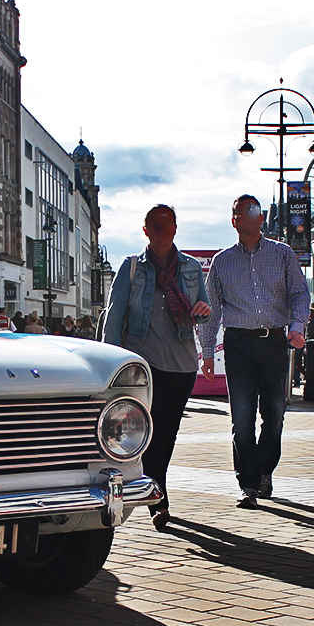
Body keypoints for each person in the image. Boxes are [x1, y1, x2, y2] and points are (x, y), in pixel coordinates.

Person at [104, 204, 211, 531]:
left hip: (181, 363)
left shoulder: (191, 268)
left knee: (168, 433)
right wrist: (109, 362)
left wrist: (203, 311)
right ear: (146, 230)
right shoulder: (132, 267)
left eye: (168, 224)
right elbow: (114, 315)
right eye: (156, 225)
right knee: (151, 431)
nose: (163, 230)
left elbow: (204, 309)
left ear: (176, 229)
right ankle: (159, 499)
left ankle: (155, 488)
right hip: (143, 361)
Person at [199, 195, 309, 507]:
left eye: (249, 212)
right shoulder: (222, 262)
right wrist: (207, 352)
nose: (242, 217)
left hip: (274, 341)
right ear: (232, 220)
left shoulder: (282, 254)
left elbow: (299, 293)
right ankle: (248, 484)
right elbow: (211, 310)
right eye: (237, 212)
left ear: (261, 218)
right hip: (239, 344)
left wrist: (297, 326)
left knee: (274, 415)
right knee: (242, 416)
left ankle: (264, 470)